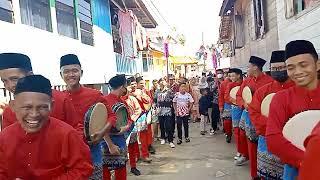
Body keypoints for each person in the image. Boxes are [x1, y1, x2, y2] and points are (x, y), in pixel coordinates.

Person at [0, 75, 93, 179]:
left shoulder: (66, 134)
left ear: (52, 106)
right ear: (13, 106)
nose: (34, 114)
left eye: (42, 107)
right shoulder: (5, 136)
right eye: (27, 107)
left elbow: (83, 168)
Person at [266, 40, 320, 179]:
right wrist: (309, 162)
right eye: (291, 67)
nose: (298, 72)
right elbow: (273, 139)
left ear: (317, 64)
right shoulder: (281, 98)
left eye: (303, 65)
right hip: (295, 168)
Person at [0, 53, 82, 136]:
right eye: (4, 81)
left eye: (14, 79)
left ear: (30, 75)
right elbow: (6, 143)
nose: (9, 86)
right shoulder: (9, 112)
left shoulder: (60, 99)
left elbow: (76, 130)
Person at [59, 54, 111, 179]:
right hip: (67, 155)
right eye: (66, 71)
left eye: (75, 71)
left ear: (81, 72)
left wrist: (101, 133)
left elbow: (111, 116)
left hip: (91, 151)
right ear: (60, 75)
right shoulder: (58, 98)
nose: (71, 75)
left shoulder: (94, 95)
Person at [249, 51, 295, 180]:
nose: (278, 71)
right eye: (274, 68)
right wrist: (274, 127)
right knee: (265, 175)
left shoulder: (298, 88)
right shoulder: (263, 91)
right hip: (267, 139)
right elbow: (254, 112)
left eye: (281, 68)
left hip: (292, 141)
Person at [242, 56, 274, 180]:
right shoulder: (247, 81)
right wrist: (242, 102)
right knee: (252, 145)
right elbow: (240, 95)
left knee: (267, 150)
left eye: (249, 66)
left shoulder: (269, 81)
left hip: (266, 120)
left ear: (255, 67)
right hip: (251, 117)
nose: (247, 69)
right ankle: (254, 174)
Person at [103, 74, 133, 180]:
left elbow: (129, 119)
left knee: (120, 169)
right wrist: (110, 145)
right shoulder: (103, 102)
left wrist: (126, 127)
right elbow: (100, 125)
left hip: (119, 139)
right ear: (122, 87)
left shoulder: (122, 102)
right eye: (125, 86)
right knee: (106, 170)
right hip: (106, 140)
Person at [122, 78, 142, 176]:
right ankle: (122, 168)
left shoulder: (132, 99)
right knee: (122, 149)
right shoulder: (119, 100)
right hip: (121, 129)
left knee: (132, 147)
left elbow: (138, 110)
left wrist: (132, 120)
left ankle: (133, 167)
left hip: (132, 126)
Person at [225, 68, 243, 159]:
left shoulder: (245, 83)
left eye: (233, 75)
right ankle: (239, 151)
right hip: (235, 109)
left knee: (245, 131)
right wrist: (234, 101)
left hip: (245, 109)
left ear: (239, 75)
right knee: (237, 131)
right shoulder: (230, 85)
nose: (231, 78)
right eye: (230, 76)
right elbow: (226, 97)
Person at [136, 77, 156, 155]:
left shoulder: (146, 91)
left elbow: (150, 101)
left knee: (148, 130)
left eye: (144, 83)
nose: (143, 85)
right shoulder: (134, 92)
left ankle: (149, 145)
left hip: (146, 112)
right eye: (141, 83)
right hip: (137, 115)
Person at [156, 78, 175, 148]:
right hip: (160, 110)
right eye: (161, 81)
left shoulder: (169, 90)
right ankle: (163, 137)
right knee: (161, 125)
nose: (162, 83)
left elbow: (173, 97)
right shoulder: (157, 91)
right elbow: (155, 99)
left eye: (163, 81)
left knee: (168, 126)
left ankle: (171, 140)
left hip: (168, 110)